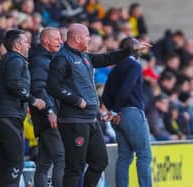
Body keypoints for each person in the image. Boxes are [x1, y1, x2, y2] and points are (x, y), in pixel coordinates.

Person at [47, 23, 150, 187]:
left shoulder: (85, 56)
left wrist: (131, 49)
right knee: (75, 167)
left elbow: (107, 58)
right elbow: (53, 87)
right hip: (74, 121)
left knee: (100, 162)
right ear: (77, 38)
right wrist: (76, 100)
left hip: (90, 119)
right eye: (87, 36)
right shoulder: (62, 58)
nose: (89, 39)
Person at [0, 29, 46, 187]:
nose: (29, 46)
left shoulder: (7, 59)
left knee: (4, 164)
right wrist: (32, 100)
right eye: (26, 42)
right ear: (17, 45)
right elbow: (13, 83)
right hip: (8, 117)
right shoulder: (16, 60)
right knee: (16, 162)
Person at [102, 37, 152, 187]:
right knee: (144, 154)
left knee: (124, 157)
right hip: (131, 113)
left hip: (118, 118)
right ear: (134, 48)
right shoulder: (134, 66)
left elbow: (105, 95)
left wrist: (113, 110)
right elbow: (127, 87)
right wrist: (116, 111)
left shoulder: (115, 69)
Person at [29, 27, 64, 187]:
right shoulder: (38, 61)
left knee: (43, 163)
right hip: (49, 116)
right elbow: (38, 88)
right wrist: (50, 110)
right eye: (56, 39)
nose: (60, 41)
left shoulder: (50, 58)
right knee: (61, 158)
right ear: (45, 41)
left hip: (50, 115)